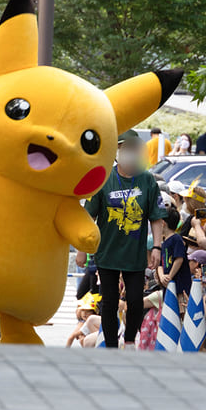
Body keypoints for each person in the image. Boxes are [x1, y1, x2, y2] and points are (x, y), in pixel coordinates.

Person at [79, 130, 167, 348]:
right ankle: (110, 345)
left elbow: (156, 218)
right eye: (124, 148)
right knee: (108, 302)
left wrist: (156, 246)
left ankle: (128, 340)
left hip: (135, 252)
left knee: (135, 300)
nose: (129, 152)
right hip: (108, 251)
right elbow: (88, 216)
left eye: (133, 148)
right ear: (117, 151)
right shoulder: (104, 179)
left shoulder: (147, 180)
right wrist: (82, 248)